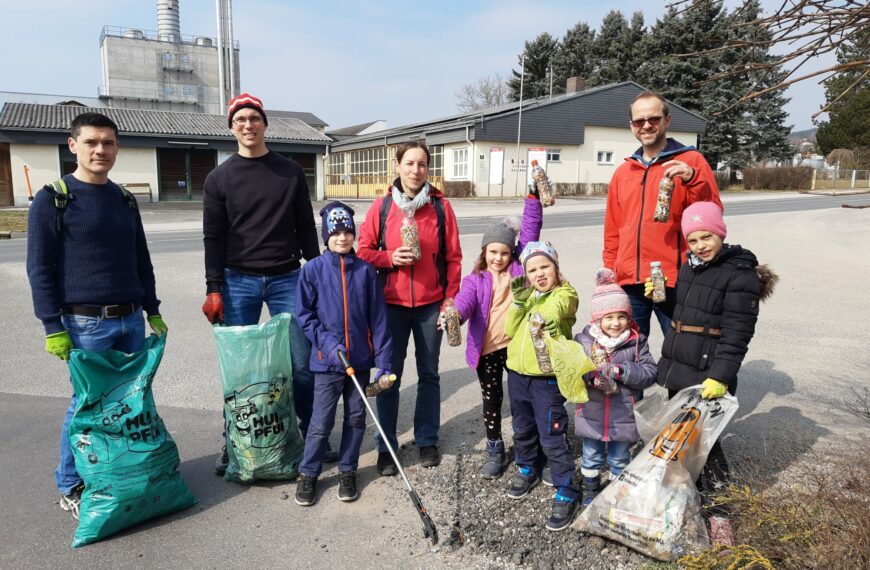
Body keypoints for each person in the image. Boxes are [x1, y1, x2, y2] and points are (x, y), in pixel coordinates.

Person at [26, 112, 167, 520]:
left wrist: (153, 310)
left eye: (108, 143)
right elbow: (39, 269)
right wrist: (53, 327)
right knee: (87, 405)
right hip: (85, 324)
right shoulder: (53, 198)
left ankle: (121, 474)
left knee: (131, 402)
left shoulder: (124, 199)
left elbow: (141, 258)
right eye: (91, 142)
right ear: (74, 146)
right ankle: (71, 483)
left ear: (116, 147)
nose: (101, 150)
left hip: (131, 320)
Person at [202, 93, 329, 475]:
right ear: (232, 128)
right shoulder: (218, 178)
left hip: (287, 277)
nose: (248, 125)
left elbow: (306, 226)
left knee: (303, 363)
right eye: (240, 119)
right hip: (237, 279)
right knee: (240, 370)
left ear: (264, 124)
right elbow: (214, 236)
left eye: (254, 118)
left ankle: (314, 435)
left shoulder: (289, 172)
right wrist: (214, 287)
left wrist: (318, 273)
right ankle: (237, 442)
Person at [653, 201, 777, 492]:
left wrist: (720, 376)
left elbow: (738, 332)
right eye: (693, 240)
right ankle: (683, 495)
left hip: (708, 372)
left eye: (707, 237)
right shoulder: (690, 267)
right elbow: (686, 312)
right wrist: (661, 299)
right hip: (682, 365)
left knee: (705, 441)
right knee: (683, 436)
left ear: (720, 233)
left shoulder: (740, 275)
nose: (700, 245)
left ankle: (720, 507)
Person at [356, 141, 462, 475]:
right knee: (389, 376)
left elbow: (453, 258)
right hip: (391, 306)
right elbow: (361, 251)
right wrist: (389, 257)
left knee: (429, 373)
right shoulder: (383, 207)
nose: (416, 170)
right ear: (398, 165)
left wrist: (450, 299)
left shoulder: (440, 209)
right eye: (410, 163)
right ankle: (386, 445)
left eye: (422, 164)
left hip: (431, 304)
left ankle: (427, 439)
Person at [294, 202, 393, 506]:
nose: (342, 238)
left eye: (347, 231)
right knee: (321, 421)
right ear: (326, 236)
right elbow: (305, 315)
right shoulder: (312, 270)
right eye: (336, 232)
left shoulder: (365, 272)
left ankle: (348, 469)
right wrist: (328, 345)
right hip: (327, 362)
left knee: (355, 417)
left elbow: (379, 319)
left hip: (360, 362)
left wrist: (384, 363)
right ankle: (309, 472)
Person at [603, 90, 722, 339]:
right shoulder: (624, 172)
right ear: (632, 126)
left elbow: (712, 215)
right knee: (629, 356)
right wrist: (610, 271)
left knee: (682, 351)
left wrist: (693, 180)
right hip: (630, 282)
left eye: (653, 119)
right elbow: (613, 230)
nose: (646, 125)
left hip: (674, 279)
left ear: (667, 120)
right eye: (639, 121)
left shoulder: (691, 161)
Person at [453, 188, 542, 479]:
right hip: (487, 351)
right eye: (493, 251)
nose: (498, 258)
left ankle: (527, 445)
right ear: (484, 252)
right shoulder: (475, 279)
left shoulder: (519, 268)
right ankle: (494, 448)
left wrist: (532, 200)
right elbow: (464, 302)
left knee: (522, 399)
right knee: (492, 402)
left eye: (504, 252)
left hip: (517, 347)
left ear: (512, 252)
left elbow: (530, 231)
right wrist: (455, 314)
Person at [503, 241, 579, 532]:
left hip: (546, 378)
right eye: (532, 269)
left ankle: (565, 487)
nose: (539, 274)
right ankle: (527, 466)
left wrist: (542, 315)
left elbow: (559, 310)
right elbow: (510, 330)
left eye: (545, 266)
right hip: (518, 375)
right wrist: (519, 303)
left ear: (556, 267)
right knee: (522, 426)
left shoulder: (565, 293)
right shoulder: (528, 295)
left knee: (551, 431)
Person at [573, 268, 657, 507]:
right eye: (608, 318)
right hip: (591, 412)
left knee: (620, 457)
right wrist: (590, 377)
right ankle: (590, 487)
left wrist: (625, 371)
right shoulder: (584, 341)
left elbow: (651, 372)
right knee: (591, 455)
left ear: (629, 317)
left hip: (624, 413)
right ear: (597, 319)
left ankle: (616, 491)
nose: (615, 323)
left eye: (621, 316)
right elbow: (573, 372)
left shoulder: (636, 341)